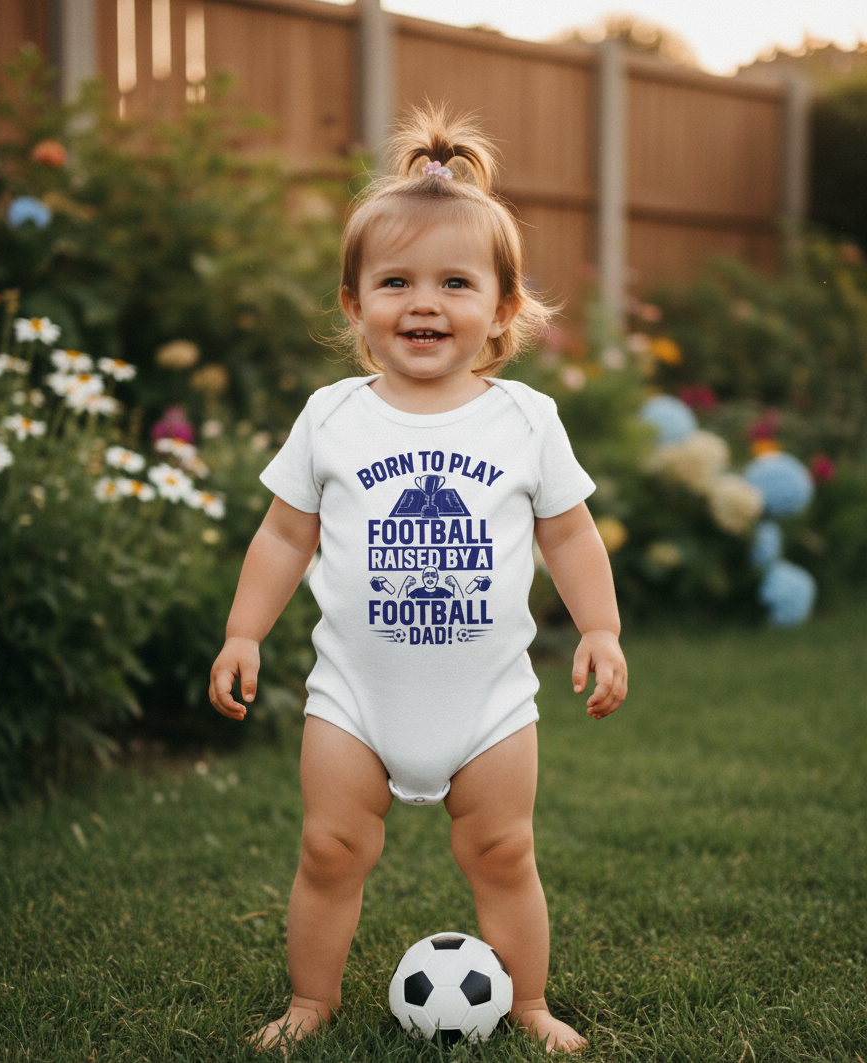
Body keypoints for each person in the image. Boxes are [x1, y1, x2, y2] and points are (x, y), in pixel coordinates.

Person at [209, 105, 627, 1055]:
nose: (423, 303)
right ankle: (311, 1001)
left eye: (454, 282)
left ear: (502, 307)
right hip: (354, 696)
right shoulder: (333, 417)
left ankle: (525, 1004)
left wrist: (598, 628)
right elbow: (284, 534)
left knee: (504, 853)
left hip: (488, 703)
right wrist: (244, 632)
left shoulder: (524, 419)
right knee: (329, 851)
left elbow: (569, 536)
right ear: (355, 303)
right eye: (394, 281)